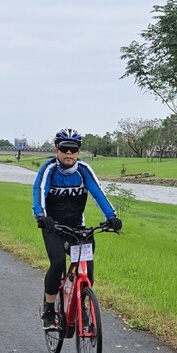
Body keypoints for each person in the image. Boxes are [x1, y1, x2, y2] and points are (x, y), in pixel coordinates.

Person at [32, 128, 123, 330]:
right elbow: (39, 191)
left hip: (77, 228)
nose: (69, 154)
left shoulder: (83, 170)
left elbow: (98, 194)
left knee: (87, 272)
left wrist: (112, 217)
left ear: (78, 152)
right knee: (57, 264)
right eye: (64, 149)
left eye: (73, 150)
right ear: (57, 150)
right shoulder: (49, 170)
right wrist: (41, 216)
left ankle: (81, 306)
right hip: (52, 226)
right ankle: (49, 310)